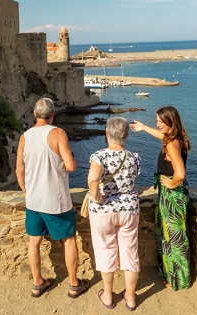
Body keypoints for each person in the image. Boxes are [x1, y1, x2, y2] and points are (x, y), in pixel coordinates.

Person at [15, 98, 90, 298]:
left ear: (34, 114)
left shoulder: (24, 137)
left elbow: (19, 169)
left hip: (33, 201)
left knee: (34, 241)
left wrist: (26, 191)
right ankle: (73, 284)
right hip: (56, 200)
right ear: (52, 115)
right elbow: (71, 166)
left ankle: (37, 283)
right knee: (69, 240)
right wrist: (69, 161)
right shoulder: (57, 133)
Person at [129, 106, 191, 291]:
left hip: (173, 195)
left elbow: (180, 173)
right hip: (172, 194)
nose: (157, 124)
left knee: (174, 237)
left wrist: (171, 184)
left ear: (171, 121)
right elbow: (162, 136)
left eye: (161, 121)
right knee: (171, 234)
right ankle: (173, 275)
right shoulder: (175, 137)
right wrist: (144, 128)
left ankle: (178, 280)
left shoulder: (171, 144)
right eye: (156, 120)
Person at [87, 117, 142, 310]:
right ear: (126, 136)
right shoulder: (134, 157)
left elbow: (93, 180)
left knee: (106, 251)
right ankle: (131, 297)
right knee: (130, 253)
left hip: (104, 211)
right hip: (129, 209)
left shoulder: (99, 156)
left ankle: (108, 296)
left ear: (107, 134)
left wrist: (97, 198)